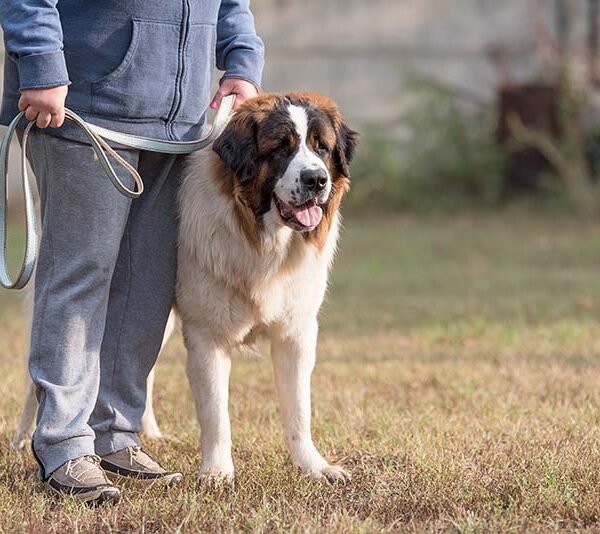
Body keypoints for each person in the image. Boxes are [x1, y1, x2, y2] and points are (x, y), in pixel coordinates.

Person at [0, 0, 264, 505]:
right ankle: (63, 443)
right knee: (82, 275)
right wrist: (41, 64)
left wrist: (241, 58)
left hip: (181, 126)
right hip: (84, 110)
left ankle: (115, 432)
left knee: (149, 278)